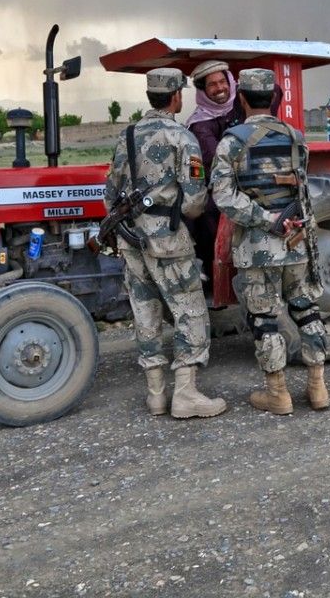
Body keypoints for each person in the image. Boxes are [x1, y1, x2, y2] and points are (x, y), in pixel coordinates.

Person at [105, 67, 227, 420]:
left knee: (146, 313)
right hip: (169, 241)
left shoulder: (125, 136)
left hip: (131, 241)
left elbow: (109, 194)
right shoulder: (181, 137)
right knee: (189, 311)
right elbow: (194, 202)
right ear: (176, 96)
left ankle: (156, 396)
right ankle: (186, 395)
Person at [211, 68, 330, 415]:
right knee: (307, 311)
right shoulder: (295, 136)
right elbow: (302, 186)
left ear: (242, 98)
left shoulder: (233, 140)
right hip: (296, 241)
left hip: (257, 246)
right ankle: (317, 387)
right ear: (272, 98)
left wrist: (266, 220)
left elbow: (223, 196)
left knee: (264, 319)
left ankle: (278, 394)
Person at [186, 60, 282, 294]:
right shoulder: (200, 125)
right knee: (206, 213)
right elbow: (214, 157)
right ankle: (218, 274)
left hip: (260, 175)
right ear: (202, 90)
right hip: (224, 182)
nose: (219, 88)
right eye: (212, 85)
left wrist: (247, 84)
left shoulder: (241, 103)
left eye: (223, 82)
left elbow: (275, 91)